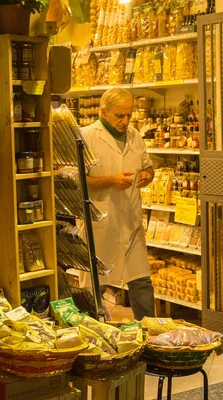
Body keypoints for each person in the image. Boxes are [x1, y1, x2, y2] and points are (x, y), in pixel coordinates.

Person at [80, 88, 155, 320]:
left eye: (128, 115)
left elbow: (148, 167)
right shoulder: (85, 136)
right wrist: (111, 181)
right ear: (103, 112)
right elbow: (75, 180)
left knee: (141, 282)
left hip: (130, 221)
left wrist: (147, 176)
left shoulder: (134, 135)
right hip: (101, 221)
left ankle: (151, 335)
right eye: (119, 115)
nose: (125, 121)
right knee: (95, 287)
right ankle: (92, 333)